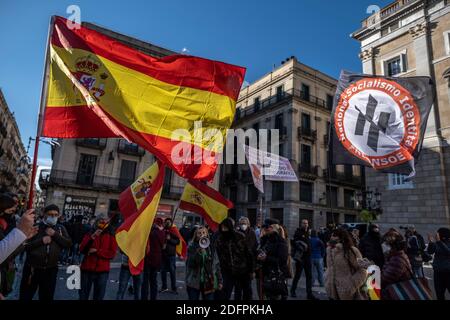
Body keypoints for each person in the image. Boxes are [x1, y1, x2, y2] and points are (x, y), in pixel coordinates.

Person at [19, 204, 72, 300]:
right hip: (32, 269)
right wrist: (41, 241)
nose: (53, 217)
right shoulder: (35, 227)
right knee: (26, 295)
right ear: (44, 214)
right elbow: (24, 247)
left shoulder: (60, 228)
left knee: (47, 296)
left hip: (50, 270)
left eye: (56, 215)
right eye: (50, 214)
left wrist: (55, 235)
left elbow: (68, 244)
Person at [79, 215, 117, 300]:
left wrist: (97, 251)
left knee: (99, 295)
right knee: (83, 294)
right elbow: (82, 249)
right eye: (100, 221)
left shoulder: (111, 235)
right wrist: (92, 237)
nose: (102, 223)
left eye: (105, 222)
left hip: (102, 271)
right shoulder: (90, 232)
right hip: (87, 269)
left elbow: (112, 254)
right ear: (96, 222)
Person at [215, 217, 254, 300]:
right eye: (222, 228)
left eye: (225, 227)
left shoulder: (240, 236)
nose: (224, 229)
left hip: (242, 270)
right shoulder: (220, 239)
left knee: (245, 293)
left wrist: (251, 270)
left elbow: (248, 254)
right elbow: (218, 256)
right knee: (225, 293)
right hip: (227, 270)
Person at [324, 229, 368, 300]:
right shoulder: (329, 250)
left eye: (334, 235)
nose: (331, 237)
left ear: (341, 237)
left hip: (348, 293)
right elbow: (330, 268)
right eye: (331, 235)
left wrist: (352, 285)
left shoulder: (350, 250)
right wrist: (326, 278)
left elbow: (362, 270)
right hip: (332, 291)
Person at [185, 226, 222, 300]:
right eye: (199, 233)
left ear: (207, 234)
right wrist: (198, 253)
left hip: (208, 281)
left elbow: (217, 265)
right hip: (194, 281)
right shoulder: (191, 247)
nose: (202, 234)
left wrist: (220, 280)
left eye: (204, 232)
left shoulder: (211, 247)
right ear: (196, 235)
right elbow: (191, 263)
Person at [257, 219, 289, 300]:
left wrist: (266, 258)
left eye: (268, 228)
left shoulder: (281, 242)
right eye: (265, 228)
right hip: (264, 274)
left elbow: (282, 261)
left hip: (275, 277)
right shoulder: (265, 240)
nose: (265, 229)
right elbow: (259, 251)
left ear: (274, 228)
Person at [380, 229, 413, 300]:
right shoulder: (395, 256)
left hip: (397, 295)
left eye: (384, 243)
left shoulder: (397, 260)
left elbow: (383, 280)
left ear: (391, 245)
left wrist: (371, 269)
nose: (382, 246)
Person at [290, 219, 318, 299]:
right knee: (297, 275)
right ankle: (292, 291)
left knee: (309, 276)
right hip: (301, 258)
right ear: (301, 224)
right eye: (304, 223)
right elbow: (293, 242)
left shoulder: (309, 233)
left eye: (307, 223)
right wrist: (299, 245)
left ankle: (309, 294)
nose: (306, 224)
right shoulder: (298, 232)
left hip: (308, 257)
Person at [141, 218, 165, 300]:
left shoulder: (152, 232)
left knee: (145, 281)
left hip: (149, 259)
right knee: (153, 281)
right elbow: (163, 246)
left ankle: (144, 297)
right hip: (157, 260)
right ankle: (153, 297)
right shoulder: (163, 232)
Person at [235, 216, 257, 300]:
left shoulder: (252, 233)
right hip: (238, 266)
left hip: (248, 266)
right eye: (241, 223)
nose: (243, 225)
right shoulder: (236, 233)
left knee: (247, 288)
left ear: (248, 224)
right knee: (238, 289)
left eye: (244, 223)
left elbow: (254, 249)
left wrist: (253, 269)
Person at [427, 228, 450, 300]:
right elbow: (430, 251)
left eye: (438, 234)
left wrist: (439, 242)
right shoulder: (437, 243)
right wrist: (431, 242)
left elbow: (448, 252)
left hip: (448, 272)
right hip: (438, 272)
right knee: (439, 294)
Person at [160, 218, 180, 294]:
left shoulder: (174, 231)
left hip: (171, 255)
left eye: (169, 222)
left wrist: (170, 239)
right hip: (163, 254)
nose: (167, 223)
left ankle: (174, 288)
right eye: (166, 222)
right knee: (163, 271)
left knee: (172, 272)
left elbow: (177, 242)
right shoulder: (162, 230)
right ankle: (164, 287)